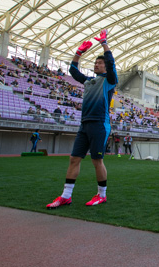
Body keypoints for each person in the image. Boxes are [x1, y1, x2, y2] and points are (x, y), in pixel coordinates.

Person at [46, 29, 118, 209]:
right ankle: (66, 196)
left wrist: (104, 44)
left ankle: (102, 195)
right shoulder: (89, 81)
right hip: (84, 125)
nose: (96, 65)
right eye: (95, 62)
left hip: (100, 125)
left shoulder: (109, 81)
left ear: (106, 67)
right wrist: (78, 53)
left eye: (100, 63)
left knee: (97, 161)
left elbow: (111, 62)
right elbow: (73, 70)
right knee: (74, 159)